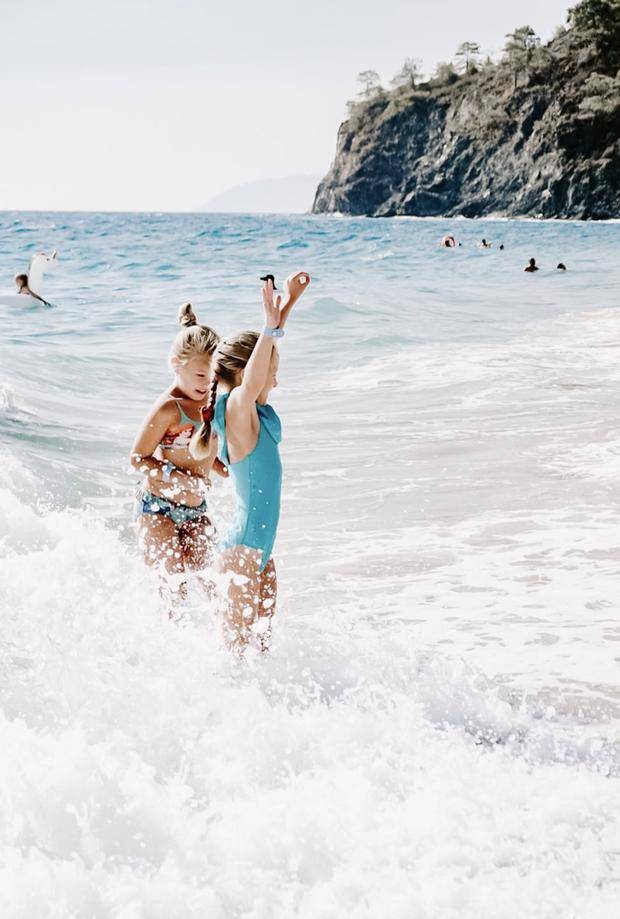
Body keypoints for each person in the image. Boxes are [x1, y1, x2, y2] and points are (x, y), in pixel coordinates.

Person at [191, 271, 310, 651]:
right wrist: (268, 326)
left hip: (259, 555)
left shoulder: (252, 415)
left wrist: (288, 304)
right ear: (248, 376)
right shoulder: (238, 412)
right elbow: (256, 376)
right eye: (271, 375)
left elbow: (261, 363)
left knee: (259, 654)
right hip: (241, 554)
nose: (275, 383)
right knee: (235, 656)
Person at [130, 304, 226, 612]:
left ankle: (227, 654)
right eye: (200, 375)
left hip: (196, 509)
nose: (207, 384)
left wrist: (225, 467)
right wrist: (179, 477)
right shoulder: (168, 409)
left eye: (214, 378)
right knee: (175, 587)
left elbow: (197, 447)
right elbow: (137, 458)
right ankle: (162, 654)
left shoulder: (212, 402)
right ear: (176, 364)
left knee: (215, 583)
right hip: (157, 508)